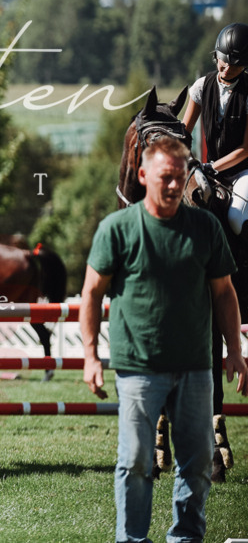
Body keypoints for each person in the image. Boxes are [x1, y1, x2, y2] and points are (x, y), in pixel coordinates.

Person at [79, 135, 247, 543]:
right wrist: (90, 356)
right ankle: (132, 540)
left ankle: (185, 538)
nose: (174, 186)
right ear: (143, 175)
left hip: (195, 367)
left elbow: (224, 292)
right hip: (138, 367)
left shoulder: (205, 226)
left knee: (197, 461)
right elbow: (91, 293)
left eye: (180, 177)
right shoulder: (117, 229)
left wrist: (235, 352)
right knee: (135, 461)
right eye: (165, 177)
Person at [181, 22, 248, 235]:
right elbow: (184, 132)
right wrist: (188, 164)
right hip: (208, 169)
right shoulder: (201, 86)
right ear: (216, 55)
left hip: (242, 172)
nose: (227, 69)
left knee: (236, 218)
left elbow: (245, 149)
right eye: (224, 62)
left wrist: (212, 167)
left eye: (235, 65)